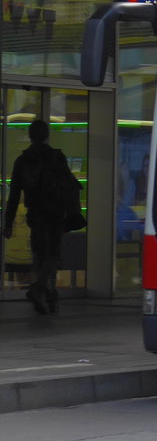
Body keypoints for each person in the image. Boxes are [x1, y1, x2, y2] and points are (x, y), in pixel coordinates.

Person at [2, 120, 81, 314]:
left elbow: (14, 196)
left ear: (30, 136)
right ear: (47, 135)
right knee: (53, 254)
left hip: (35, 214)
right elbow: (68, 184)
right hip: (55, 213)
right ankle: (41, 288)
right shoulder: (56, 156)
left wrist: (8, 222)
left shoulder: (22, 160)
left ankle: (48, 292)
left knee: (39, 253)